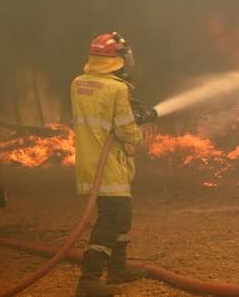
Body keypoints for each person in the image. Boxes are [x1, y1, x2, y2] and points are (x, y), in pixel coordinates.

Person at [71, 31, 155, 296]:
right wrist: (138, 128)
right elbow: (125, 130)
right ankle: (89, 280)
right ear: (116, 58)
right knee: (110, 219)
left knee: (122, 214)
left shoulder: (79, 83)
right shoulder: (116, 88)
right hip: (108, 165)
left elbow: (102, 115)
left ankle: (117, 269)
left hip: (90, 163)